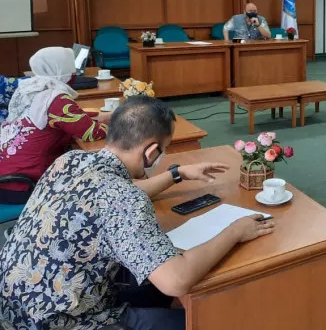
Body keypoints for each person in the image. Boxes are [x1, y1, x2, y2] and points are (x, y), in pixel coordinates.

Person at [0, 96, 276, 329]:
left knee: (147, 285)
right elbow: (175, 281)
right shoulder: (121, 197)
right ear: (151, 150)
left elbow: (115, 197)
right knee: (202, 319)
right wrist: (235, 231)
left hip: (16, 303)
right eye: (164, 151)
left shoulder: (70, 160)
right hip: (61, 321)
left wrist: (177, 174)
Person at [0, 47, 109, 205]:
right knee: (90, 185)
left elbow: (70, 117)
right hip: (20, 185)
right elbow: (92, 133)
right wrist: (116, 122)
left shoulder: (33, 89)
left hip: (6, 175)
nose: (74, 74)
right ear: (62, 70)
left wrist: (103, 116)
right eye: (71, 69)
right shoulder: (56, 100)